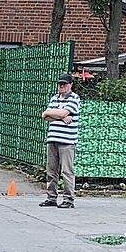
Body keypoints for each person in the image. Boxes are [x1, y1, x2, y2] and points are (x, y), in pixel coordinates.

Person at [39, 73, 79, 209]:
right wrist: (61, 116)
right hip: (52, 139)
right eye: (60, 84)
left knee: (67, 171)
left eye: (64, 84)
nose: (61, 86)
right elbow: (45, 116)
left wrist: (54, 113)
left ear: (70, 85)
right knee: (51, 170)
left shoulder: (74, 98)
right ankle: (51, 198)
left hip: (67, 141)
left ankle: (68, 199)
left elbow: (56, 113)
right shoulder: (54, 98)